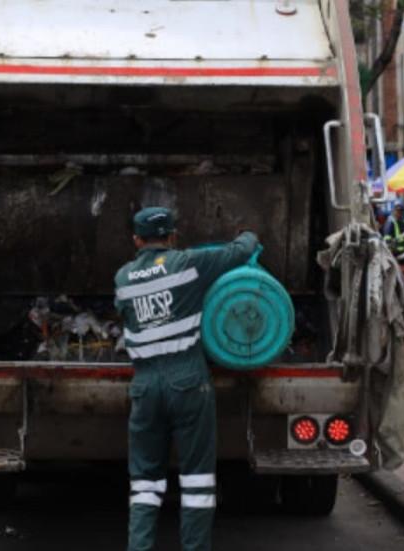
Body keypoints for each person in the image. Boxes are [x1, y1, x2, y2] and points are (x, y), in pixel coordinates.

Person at [114, 207, 258, 551]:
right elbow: (239, 253)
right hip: (188, 382)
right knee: (196, 483)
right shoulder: (189, 263)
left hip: (145, 387)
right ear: (172, 236)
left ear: (136, 240)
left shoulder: (122, 278)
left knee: (145, 484)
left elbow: (128, 317)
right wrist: (248, 233)